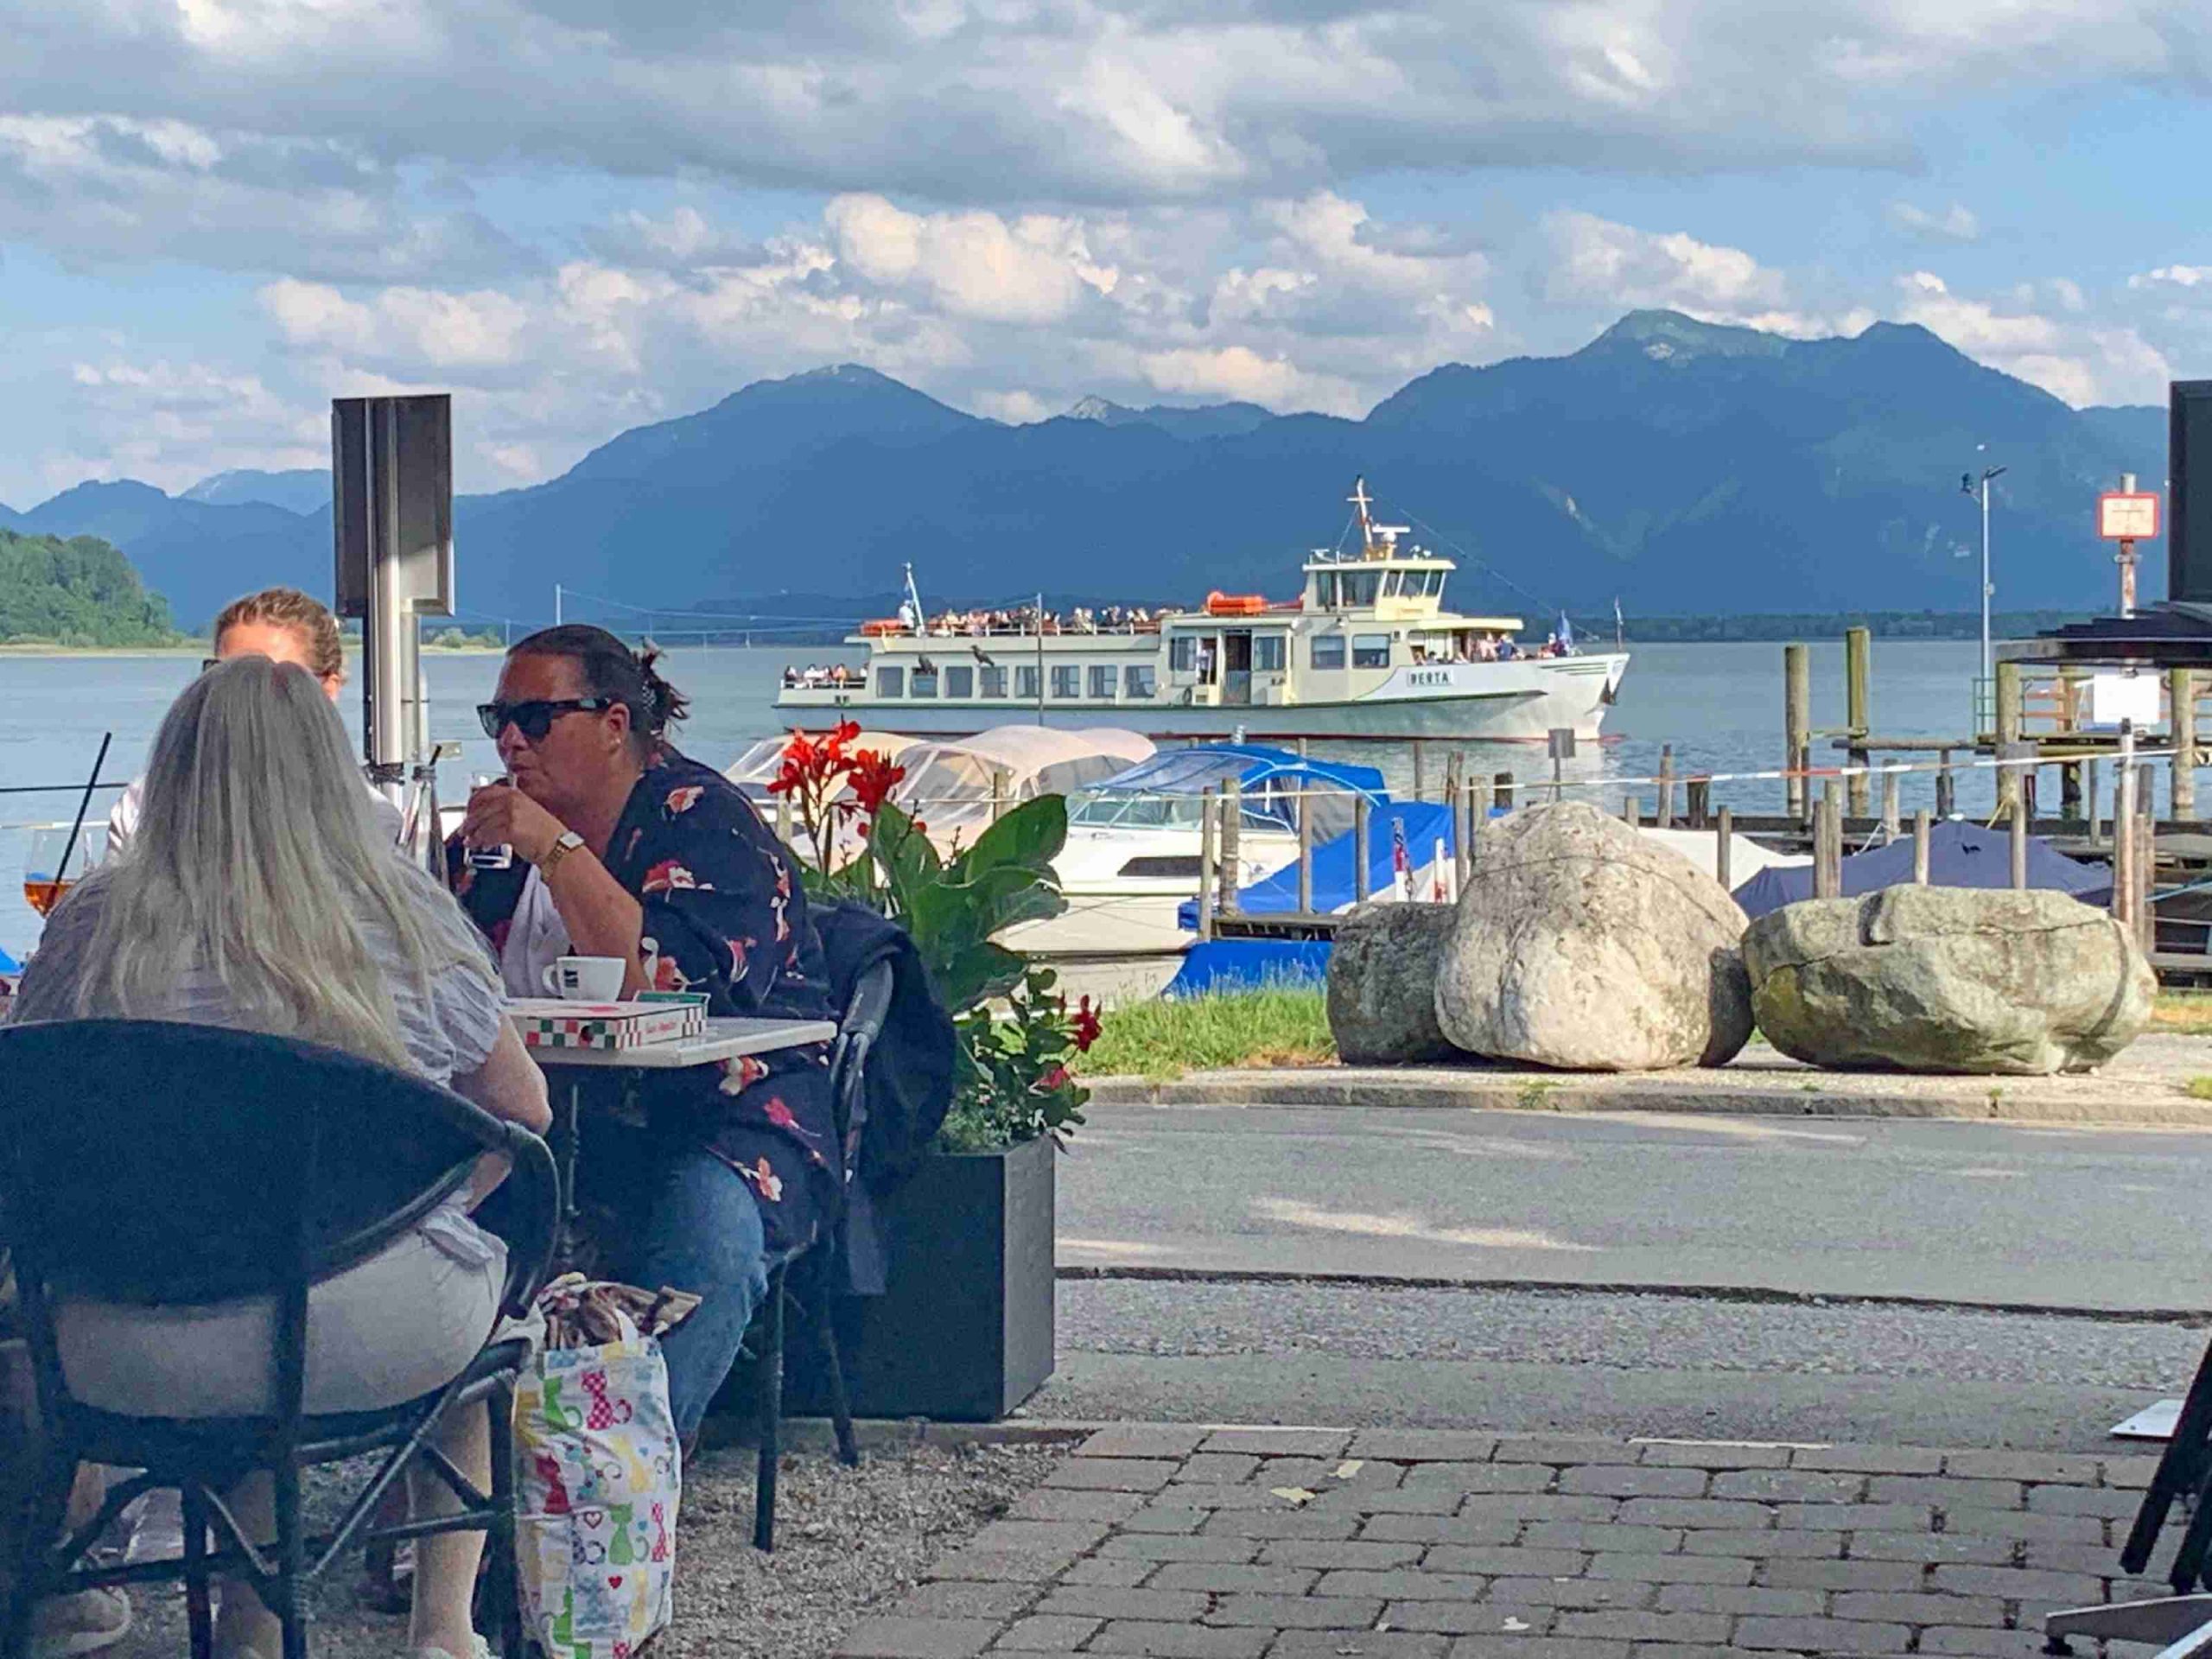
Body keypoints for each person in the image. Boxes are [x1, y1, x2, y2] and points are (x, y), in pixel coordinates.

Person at [12, 656, 550, 1659]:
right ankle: (443, 1631)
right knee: (482, 1330)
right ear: (331, 776)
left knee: (236, 1307)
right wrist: (418, 1214)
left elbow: (30, 1110)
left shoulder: (95, 924)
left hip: (123, 1339)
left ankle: (202, 1620)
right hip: (365, 1324)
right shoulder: (409, 921)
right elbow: (522, 1115)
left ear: (173, 774)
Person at [452, 626, 837, 1442]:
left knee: (709, 1238)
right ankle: (460, 1470)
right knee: (421, 1218)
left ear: (615, 724)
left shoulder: (706, 823)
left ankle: (625, 1473)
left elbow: (663, 986)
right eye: (498, 719)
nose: (511, 740)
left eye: (535, 718)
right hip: (542, 1118)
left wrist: (555, 849)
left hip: (720, 1113)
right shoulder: (490, 845)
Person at [107, 588, 402, 855]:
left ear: (327, 689)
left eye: (268, 678)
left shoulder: (369, 820)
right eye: (221, 675)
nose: (240, 694)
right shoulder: (144, 806)